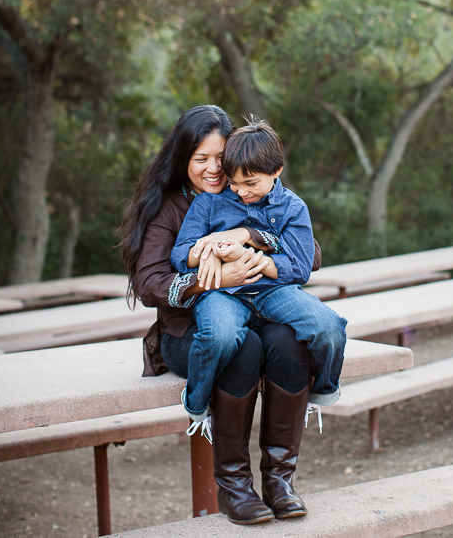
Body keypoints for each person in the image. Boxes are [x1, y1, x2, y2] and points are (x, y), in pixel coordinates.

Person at [120, 105, 326, 525]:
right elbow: (148, 284)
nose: (214, 169)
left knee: (289, 342)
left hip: (253, 311)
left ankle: (279, 481)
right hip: (189, 332)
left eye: (221, 157)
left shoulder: (247, 187)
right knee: (243, 349)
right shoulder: (168, 207)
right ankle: (233, 488)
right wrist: (208, 277)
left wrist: (248, 237)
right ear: (183, 158)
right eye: (201, 159)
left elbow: (311, 253)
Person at [170, 119, 347, 436]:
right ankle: (196, 404)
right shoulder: (209, 201)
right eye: (234, 183)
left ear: (277, 171)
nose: (241, 192)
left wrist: (255, 260)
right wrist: (207, 248)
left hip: (273, 290)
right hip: (224, 293)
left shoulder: (293, 208)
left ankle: (322, 390)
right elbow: (180, 254)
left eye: (250, 183)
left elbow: (300, 267)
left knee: (328, 326)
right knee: (218, 336)